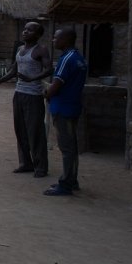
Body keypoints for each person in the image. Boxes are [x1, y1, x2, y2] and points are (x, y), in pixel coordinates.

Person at [0, 21, 51, 177]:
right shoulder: (20, 49)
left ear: (38, 34)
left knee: (35, 131)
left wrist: (32, 78)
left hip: (33, 96)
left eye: (30, 30)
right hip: (19, 93)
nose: (25, 32)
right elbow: (14, 70)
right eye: (25, 29)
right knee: (20, 130)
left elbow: (49, 69)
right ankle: (25, 163)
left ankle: (40, 167)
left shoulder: (41, 50)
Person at [44, 28, 87, 196]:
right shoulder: (79, 58)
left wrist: (47, 93)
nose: (53, 41)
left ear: (66, 40)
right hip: (72, 106)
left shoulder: (66, 59)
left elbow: (57, 84)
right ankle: (72, 180)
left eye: (56, 38)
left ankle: (66, 184)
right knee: (72, 147)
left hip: (63, 108)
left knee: (67, 148)